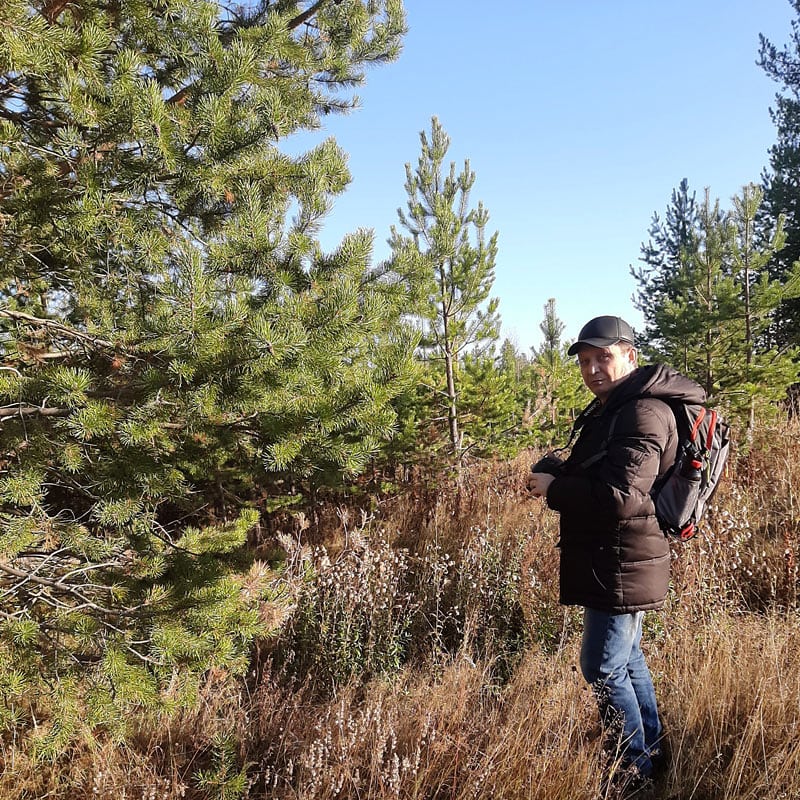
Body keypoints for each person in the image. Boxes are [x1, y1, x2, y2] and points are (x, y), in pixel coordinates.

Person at [527, 315, 705, 788]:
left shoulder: (642, 412)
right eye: (584, 361)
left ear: (630, 355)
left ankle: (632, 776)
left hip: (623, 558)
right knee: (626, 660)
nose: (592, 369)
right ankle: (652, 751)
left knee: (602, 666)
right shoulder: (616, 407)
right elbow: (607, 473)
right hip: (617, 556)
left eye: (602, 357)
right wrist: (561, 472)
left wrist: (554, 489)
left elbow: (621, 498)